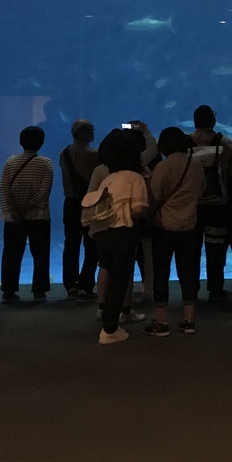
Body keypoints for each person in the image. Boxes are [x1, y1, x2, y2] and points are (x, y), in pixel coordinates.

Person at [85, 128, 149, 345]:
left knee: (107, 270)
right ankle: (110, 329)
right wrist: (128, 217)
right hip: (123, 232)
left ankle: (107, 318)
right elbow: (139, 208)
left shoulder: (107, 179)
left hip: (102, 233)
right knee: (120, 280)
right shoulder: (134, 177)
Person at [145, 128, 205, 336]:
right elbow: (201, 189)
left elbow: (154, 195)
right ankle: (189, 320)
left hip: (165, 227)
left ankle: (161, 323)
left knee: (161, 274)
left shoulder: (163, 167)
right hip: (189, 226)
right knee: (188, 273)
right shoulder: (196, 165)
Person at [188, 105, 232, 300]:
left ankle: (190, 287)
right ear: (213, 121)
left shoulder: (186, 143)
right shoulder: (225, 143)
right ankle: (216, 288)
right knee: (216, 247)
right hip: (218, 204)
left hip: (192, 205)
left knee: (192, 248)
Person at [0, 125, 54, 305]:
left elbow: (4, 190)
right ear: (41, 143)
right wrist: (27, 208)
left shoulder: (10, 162)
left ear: (21, 142)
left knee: (11, 254)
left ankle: (8, 290)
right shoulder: (46, 163)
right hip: (38, 216)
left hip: (13, 217)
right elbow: (44, 192)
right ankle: (39, 291)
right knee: (40, 253)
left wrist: (13, 210)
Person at [59, 119, 101, 300]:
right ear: (86, 133)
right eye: (92, 129)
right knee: (91, 244)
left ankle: (70, 285)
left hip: (69, 203)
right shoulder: (95, 155)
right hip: (89, 202)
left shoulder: (64, 153)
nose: (93, 131)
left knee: (70, 244)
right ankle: (86, 285)